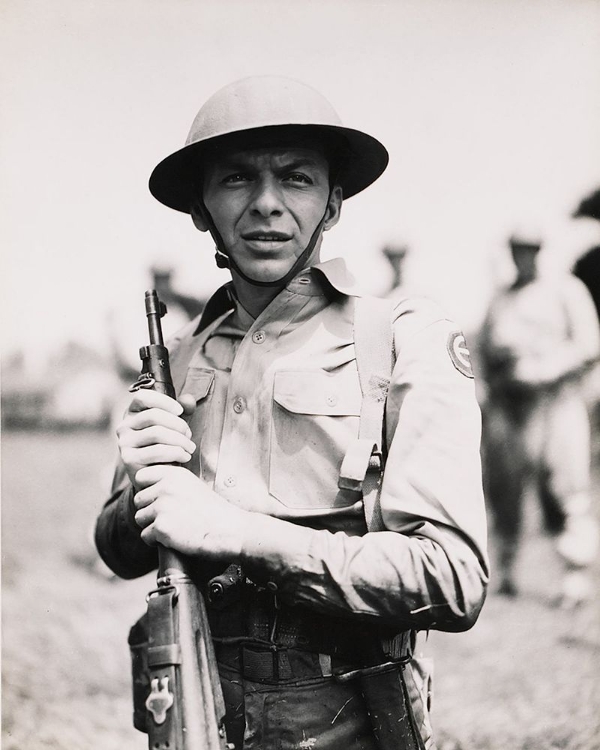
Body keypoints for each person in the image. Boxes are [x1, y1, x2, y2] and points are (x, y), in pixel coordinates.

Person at [95, 76, 488, 750]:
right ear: (200, 207)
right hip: (193, 703)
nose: (267, 205)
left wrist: (239, 532)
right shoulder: (179, 359)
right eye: (238, 179)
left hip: (350, 714)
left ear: (333, 201)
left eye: (297, 179)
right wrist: (141, 489)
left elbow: (452, 578)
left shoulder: (399, 337)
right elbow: (118, 549)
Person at [479, 230, 600, 605]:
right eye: (517, 249)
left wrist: (545, 369)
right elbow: (483, 349)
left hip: (556, 400)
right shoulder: (502, 296)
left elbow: (589, 345)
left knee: (565, 489)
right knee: (504, 492)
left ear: (541, 250)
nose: (523, 256)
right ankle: (506, 572)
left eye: (530, 248)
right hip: (511, 406)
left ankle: (574, 577)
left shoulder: (566, 289)